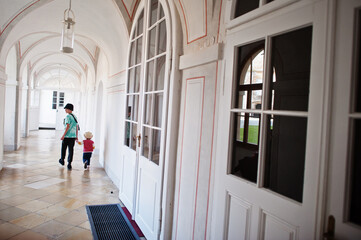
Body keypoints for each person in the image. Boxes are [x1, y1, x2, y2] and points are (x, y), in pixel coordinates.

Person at [59, 103, 78, 170]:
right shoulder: (74, 116)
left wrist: (63, 135)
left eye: (66, 109)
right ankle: (69, 163)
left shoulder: (68, 117)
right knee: (71, 150)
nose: (65, 110)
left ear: (69, 109)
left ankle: (62, 160)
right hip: (73, 137)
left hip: (67, 136)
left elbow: (67, 126)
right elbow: (76, 126)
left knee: (63, 149)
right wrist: (76, 136)